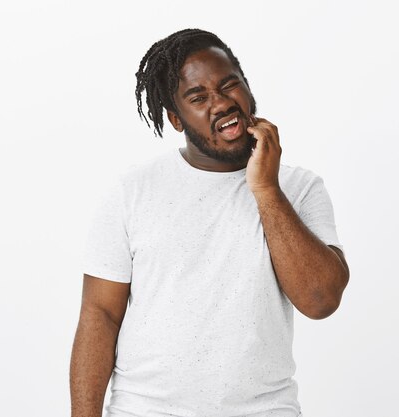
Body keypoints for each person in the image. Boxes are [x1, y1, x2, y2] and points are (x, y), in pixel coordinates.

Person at [69, 29, 349, 417]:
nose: (220, 104)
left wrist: (266, 189)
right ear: (176, 119)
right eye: (198, 98)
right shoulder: (131, 191)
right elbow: (100, 315)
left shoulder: (299, 189)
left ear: (248, 88)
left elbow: (320, 301)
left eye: (229, 85)